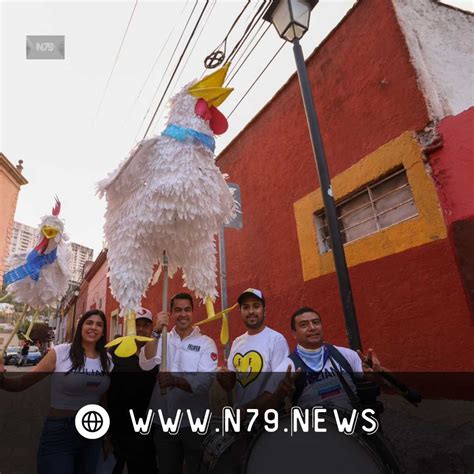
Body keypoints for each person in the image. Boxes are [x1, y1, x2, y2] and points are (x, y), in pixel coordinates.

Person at [0, 309, 113, 474]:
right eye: (89, 322)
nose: (93, 327)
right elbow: (21, 383)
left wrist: (106, 436)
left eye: (99, 324)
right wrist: (2, 380)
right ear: (80, 327)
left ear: (103, 331)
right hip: (61, 431)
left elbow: (102, 399)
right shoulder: (60, 352)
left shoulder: (107, 360)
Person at [139, 293, 218, 474]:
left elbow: (204, 382)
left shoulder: (206, 343)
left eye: (187, 310)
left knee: (196, 469)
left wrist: (175, 381)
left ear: (193, 312)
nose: (183, 314)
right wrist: (156, 331)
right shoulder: (163, 338)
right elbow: (146, 362)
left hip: (194, 423)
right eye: (178, 310)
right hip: (164, 422)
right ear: (171, 313)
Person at [266, 307, 381, 411]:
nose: (312, 328)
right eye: (304, 325)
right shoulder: (287, 367)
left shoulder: (344, 355)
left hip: (353, 429)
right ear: (294, 333)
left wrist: (379, 372)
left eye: (316, 322)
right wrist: (279, 395)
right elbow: (264, 409)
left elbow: (386, 382)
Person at [217, 288, 289, 409]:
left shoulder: (276, 340)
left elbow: (279, 385)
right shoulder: (237, 343)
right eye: (246, 307)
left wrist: (249, 409)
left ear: (264, 311)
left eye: (256, 306)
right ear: (240, 311)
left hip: (268, 419)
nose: (251, 311)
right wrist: (223, 379)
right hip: (241, 420)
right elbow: (231, 385)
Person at [107, 307, 159, 474]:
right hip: (117, 425)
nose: (141, 329)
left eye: (146, 325)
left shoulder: (158, 351)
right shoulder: (115, 351)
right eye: (137, 325)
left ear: (151, 329)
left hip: (145, 427)